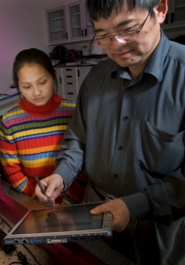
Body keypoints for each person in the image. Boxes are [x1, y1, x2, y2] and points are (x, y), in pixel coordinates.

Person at [35, 0, 185, 264]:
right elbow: (78, 138)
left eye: (127, 29)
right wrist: (62, 174)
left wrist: (136, 205)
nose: (116, 46)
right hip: (94, 212)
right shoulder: (95, 78)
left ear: (160, 10)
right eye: (103, 35)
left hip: (156, 229)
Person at [0, 48, 87, 205]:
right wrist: (38, 198)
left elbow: (83, 162)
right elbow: (12, 171)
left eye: (42, 82)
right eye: (27, 86)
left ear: (53, 75)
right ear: (18, 85)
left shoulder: (73, 112)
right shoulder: (10, 122)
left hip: (73, 202)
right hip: (35, 202)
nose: (36, 92)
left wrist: (69, 202)